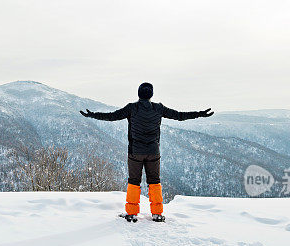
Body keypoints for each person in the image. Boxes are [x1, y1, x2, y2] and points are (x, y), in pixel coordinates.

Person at [79, 82, 214, 222]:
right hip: (153, 152)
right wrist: (199, 114)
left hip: (135, 152)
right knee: (154, 182)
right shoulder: (158, 108)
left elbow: (112, 116)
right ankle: (157, 213)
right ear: (151, 95)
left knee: (134, 182)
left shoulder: (132, 108)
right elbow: (179, 116)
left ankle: (131, 213)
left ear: (138, 94)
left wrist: (92, 115)